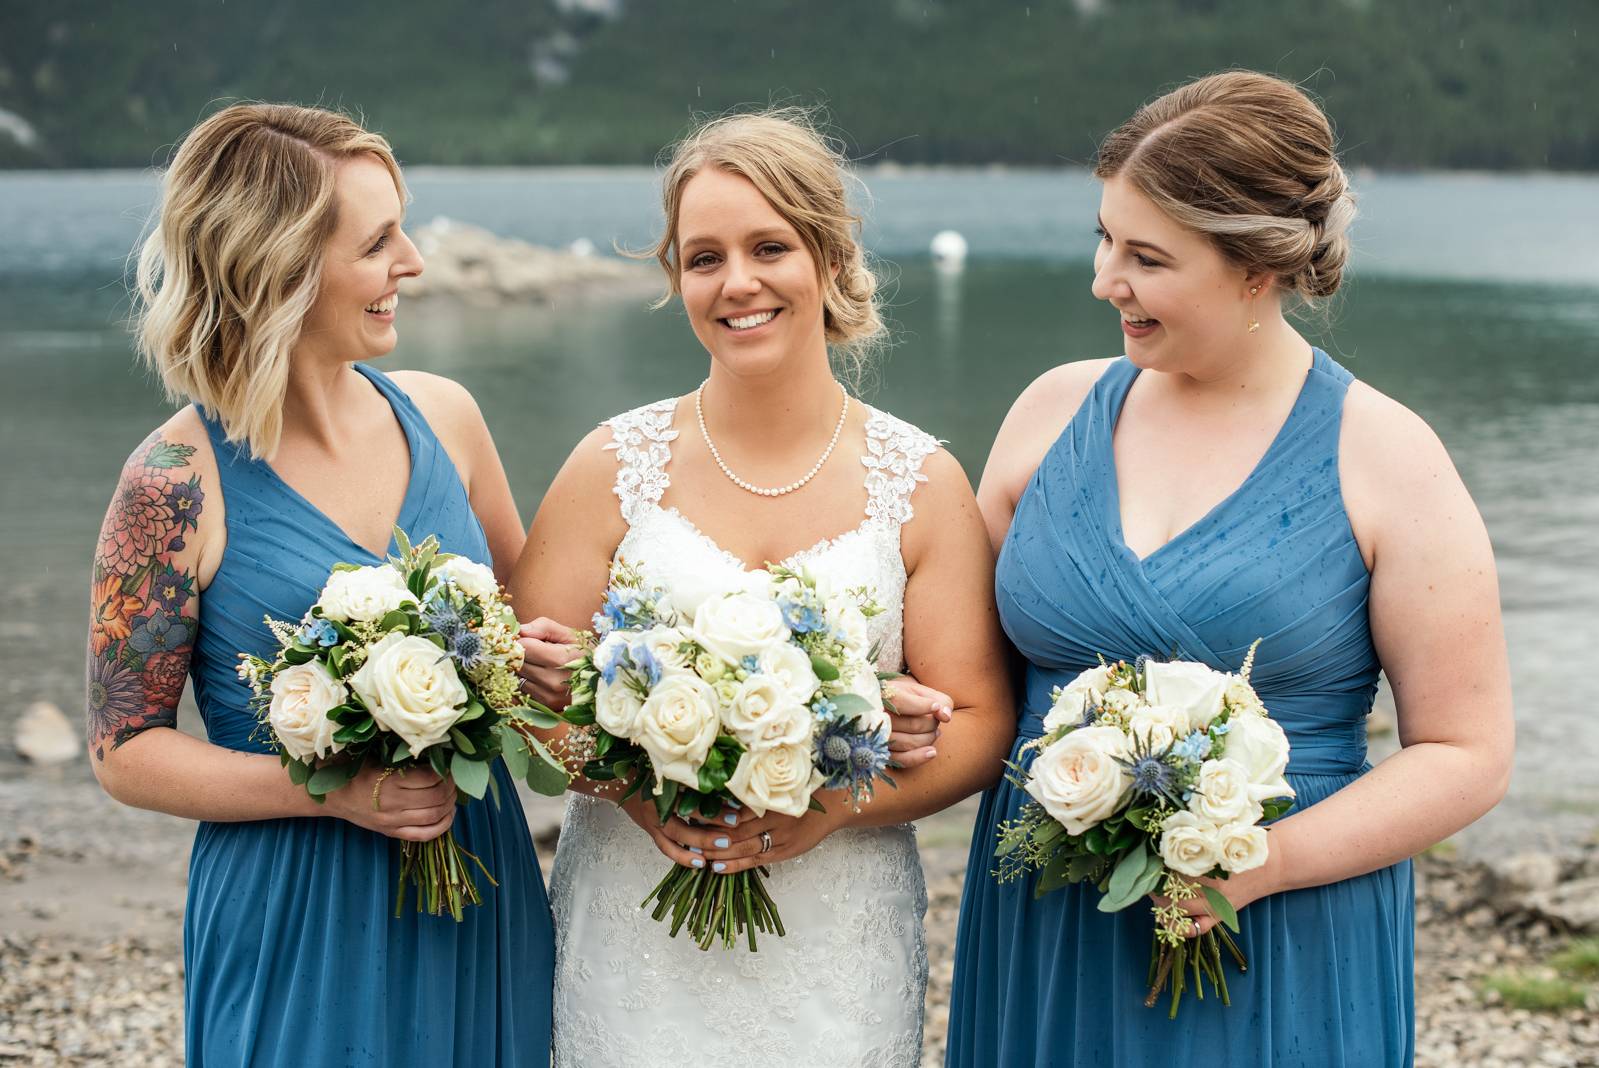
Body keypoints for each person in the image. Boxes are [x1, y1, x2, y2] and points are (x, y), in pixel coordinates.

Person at [945, 71, 1514, 1067]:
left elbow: (1467, 752)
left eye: (1146, 258)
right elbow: (961, 672)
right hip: (1045, 917)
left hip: (1275, 924)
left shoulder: (1385, 455)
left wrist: (1257, 864)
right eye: (1104, 238)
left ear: (1255, 269)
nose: (1102, 279)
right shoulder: (1048, 412)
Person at [509, 109, 1014, 1067]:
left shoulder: (922, 481)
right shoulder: (611, 465)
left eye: (769, 247)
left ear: (829, 259)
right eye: (704, 258)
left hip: (836, 934)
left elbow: (982, 724)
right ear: (678, 280)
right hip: (634, 922)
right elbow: (529, 694)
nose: (737, 283)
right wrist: (646, 793)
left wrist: (824, 811)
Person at [88, 103, 553, 1066]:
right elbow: (125, 752)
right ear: (283, 268)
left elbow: (534, 635)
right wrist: (331, 792)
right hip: (295, 905)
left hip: (479, 879)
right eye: (379, 241)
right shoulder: (172, 484)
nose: (414, 262)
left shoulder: (447, 416)